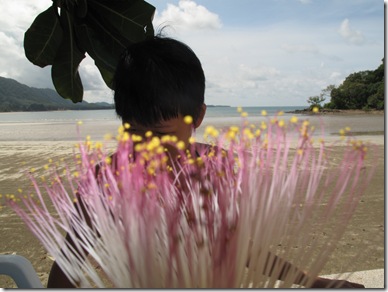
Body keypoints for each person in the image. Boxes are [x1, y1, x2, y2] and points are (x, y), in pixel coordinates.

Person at [47, 35, 364, 288]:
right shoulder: (108, 177)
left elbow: (239, 250)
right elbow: (67, 266)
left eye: (162, 134)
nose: (147, 149)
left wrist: (316, 282)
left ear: (197, 116)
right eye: (134, 132)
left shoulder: (217, 166)